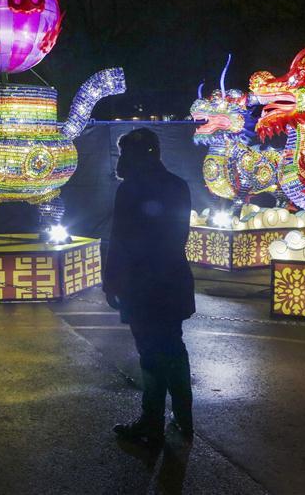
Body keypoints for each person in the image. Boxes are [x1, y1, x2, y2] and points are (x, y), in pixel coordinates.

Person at [103, 128, 195, 446]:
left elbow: (120, 240)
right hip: (173, 281)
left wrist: (111, 282)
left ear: (142, 154)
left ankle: (152, 422)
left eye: (126, 152)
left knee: (151, 354)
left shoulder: (130, 189)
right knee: (172, 348)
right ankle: (184, 419)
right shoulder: (178, 186)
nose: (123, 159)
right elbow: (178, 236)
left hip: (142, 286)